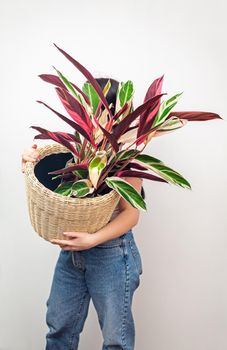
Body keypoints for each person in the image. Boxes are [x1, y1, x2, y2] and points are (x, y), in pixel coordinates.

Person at [21, 78, 145, 350]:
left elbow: (131, 214)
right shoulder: (79, 149)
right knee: (59, 330)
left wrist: (93, 239)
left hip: (113, 254)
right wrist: (29, 161)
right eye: (84, 106)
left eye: (95, 108)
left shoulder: (126, 158)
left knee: (116, 341)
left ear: (114, 114)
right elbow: (52, 182)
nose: (87, 113)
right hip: (72, 251)